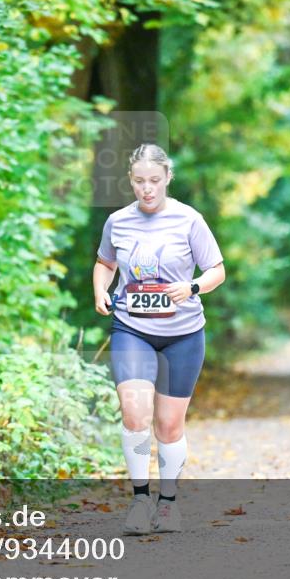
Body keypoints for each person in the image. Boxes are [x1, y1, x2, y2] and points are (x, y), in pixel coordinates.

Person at [93, 143, 226, 535]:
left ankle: (167, 504)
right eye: (139, 181)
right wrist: (100, 290)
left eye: (154, 181)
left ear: (167, 178)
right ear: (130, 181)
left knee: (169, 425)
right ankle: (138, 500)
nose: (147, 189)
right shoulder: (118, 221)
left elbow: (217, 269)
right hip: (132, 329)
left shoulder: (189, 220)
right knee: (135, 414)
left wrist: (194, 287)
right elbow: (105, 263)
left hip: (183, 334)